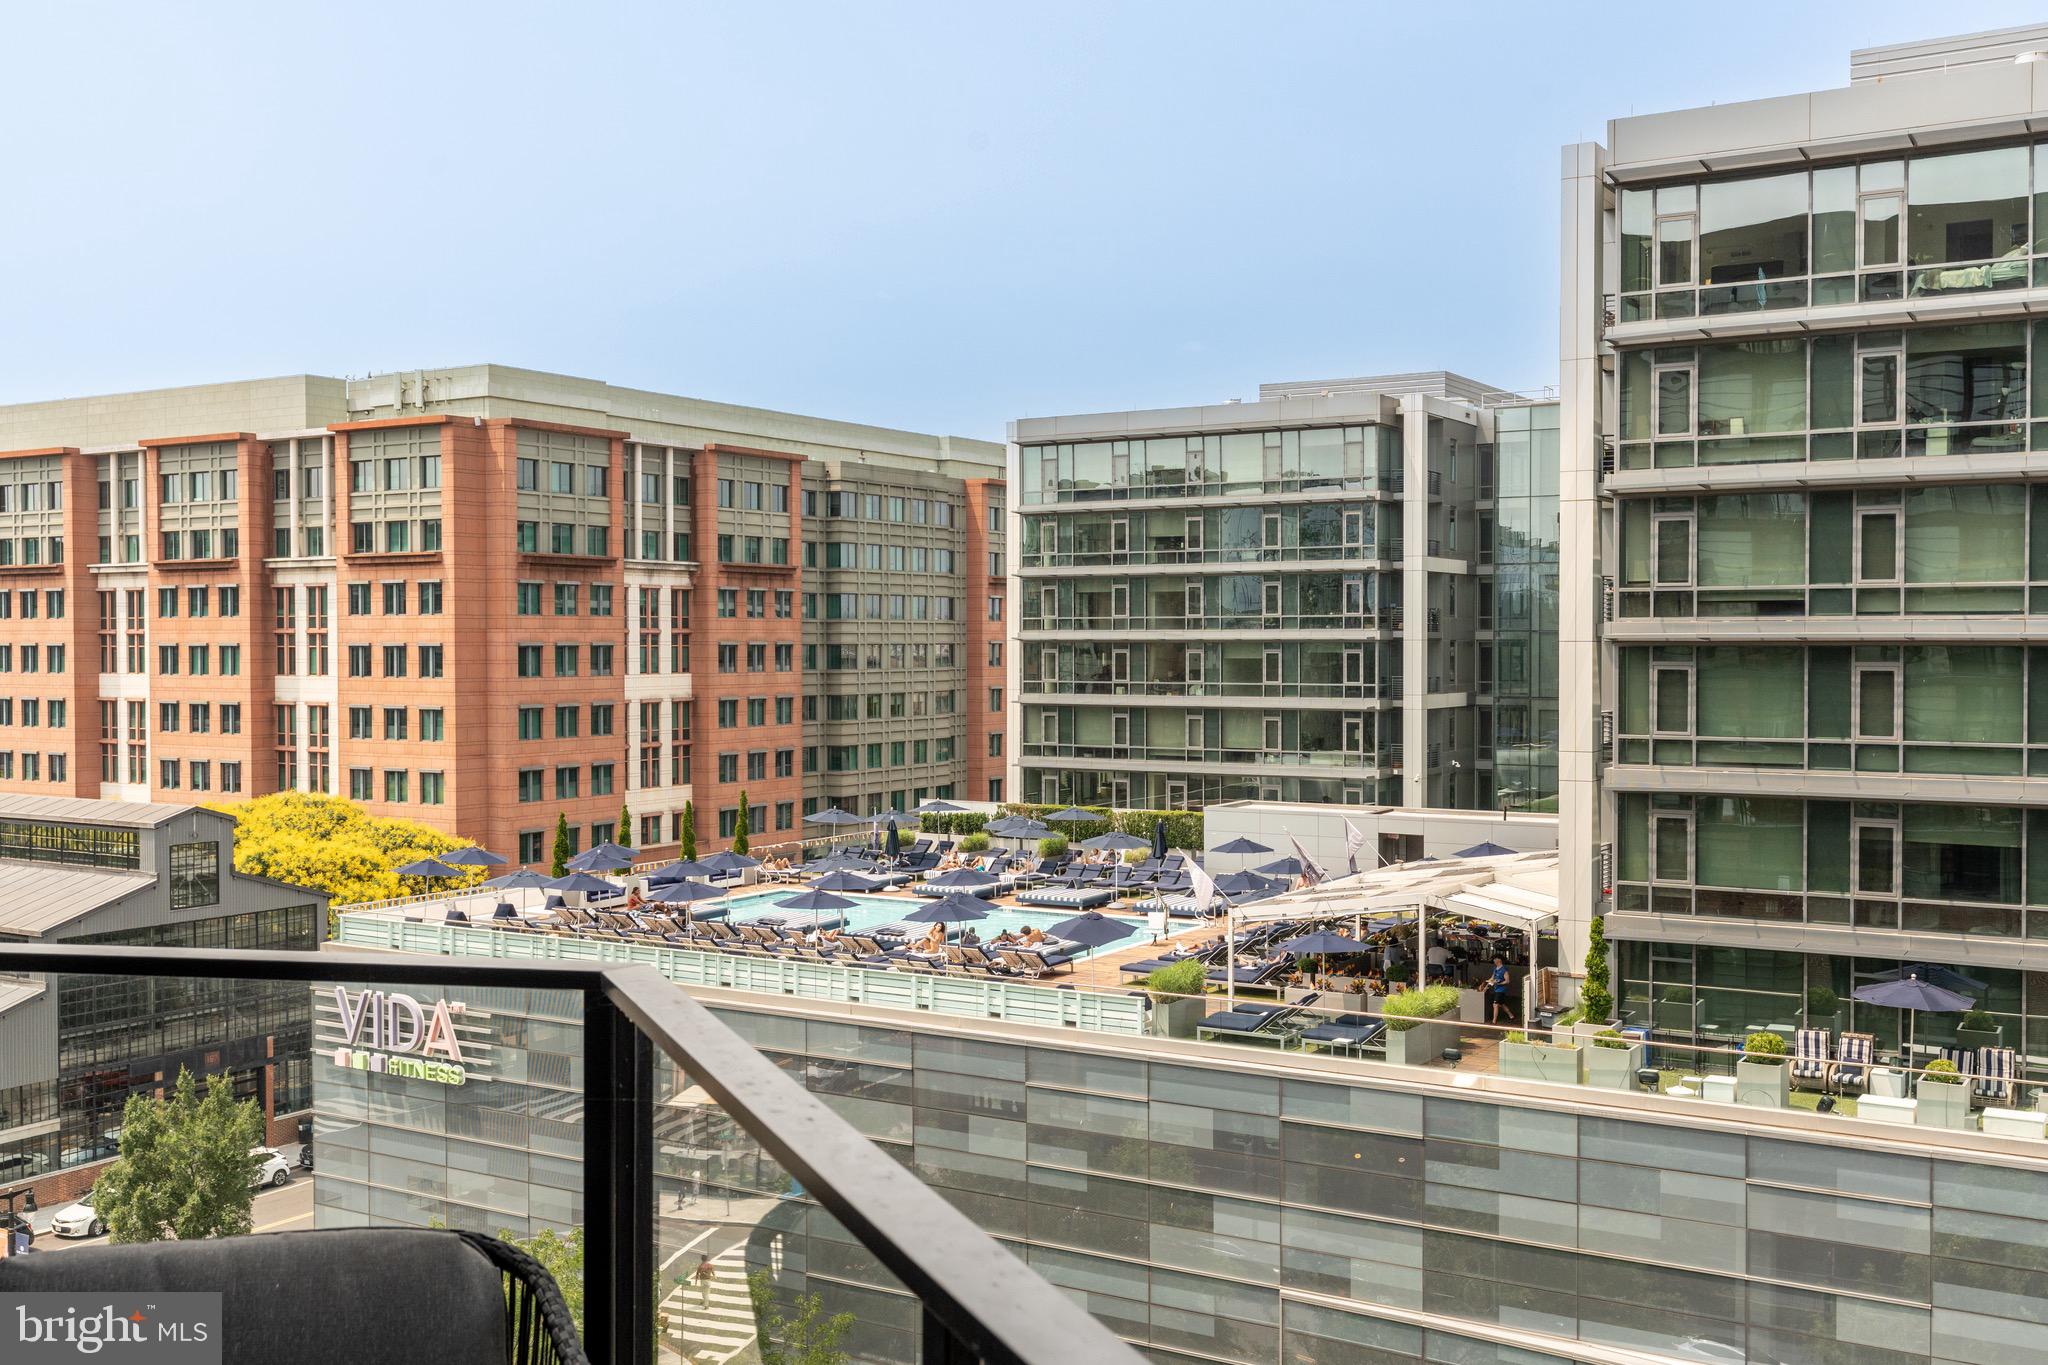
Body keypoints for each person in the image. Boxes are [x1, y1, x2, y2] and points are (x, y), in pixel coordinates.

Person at [1487, 956, 1514, 1025]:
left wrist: (1499, 983)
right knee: (1502, 1004)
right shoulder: (1495, 969)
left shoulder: (1504, 970)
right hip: (1496, 989)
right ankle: (1511, 1016)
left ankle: (1494, 1021)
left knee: (1495, 1004)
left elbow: (1507, 981)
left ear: (1499, 960)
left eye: (1495, 959)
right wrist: (1488, 982)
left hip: (1501, 990)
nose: (1494, 960)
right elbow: (1492, 978)